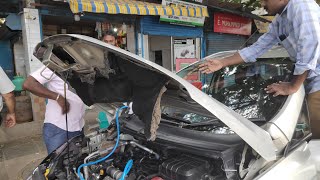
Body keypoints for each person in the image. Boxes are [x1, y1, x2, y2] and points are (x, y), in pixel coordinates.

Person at [199, 0, 320, 138]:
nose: (262, 4)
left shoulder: (302, 6)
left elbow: (310, 45)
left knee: (317, 142)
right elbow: (258, 48)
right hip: (310, 83)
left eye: (265, 0)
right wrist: (222, 62)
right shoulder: (279, 21)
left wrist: (293, 86)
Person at [23, 67, 85, 154]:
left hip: (78, 126)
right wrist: (58, 97)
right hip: (58, 128)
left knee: (77, 162)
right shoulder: (54, 66)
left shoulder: (82, 66)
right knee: (58, 163)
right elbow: (28, 84)